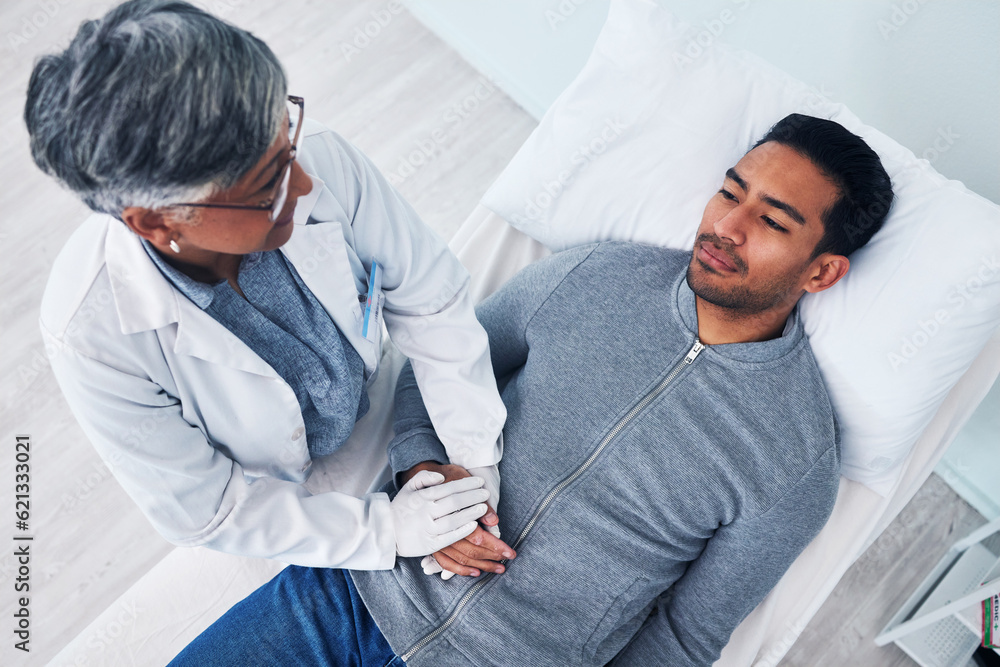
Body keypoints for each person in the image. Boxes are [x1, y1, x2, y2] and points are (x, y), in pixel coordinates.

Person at [170, 113, 894, 667]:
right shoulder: (597, 278)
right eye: (730, 192)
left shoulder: (793, 461)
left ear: (822, 271)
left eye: (770, 221)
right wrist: (423, 470)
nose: (726, 226)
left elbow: (684, 633)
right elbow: (441, 357)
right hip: (355, 593)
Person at [28, 0, 506, 569]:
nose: (303, 183)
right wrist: (385, 531)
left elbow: (430, 302)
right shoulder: (91, 333)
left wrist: (473, 463)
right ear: (157, 222)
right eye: (266, 184)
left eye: (287, 140)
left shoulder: (316, 158)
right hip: (293, 497)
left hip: (390, 405)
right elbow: (210, 508)